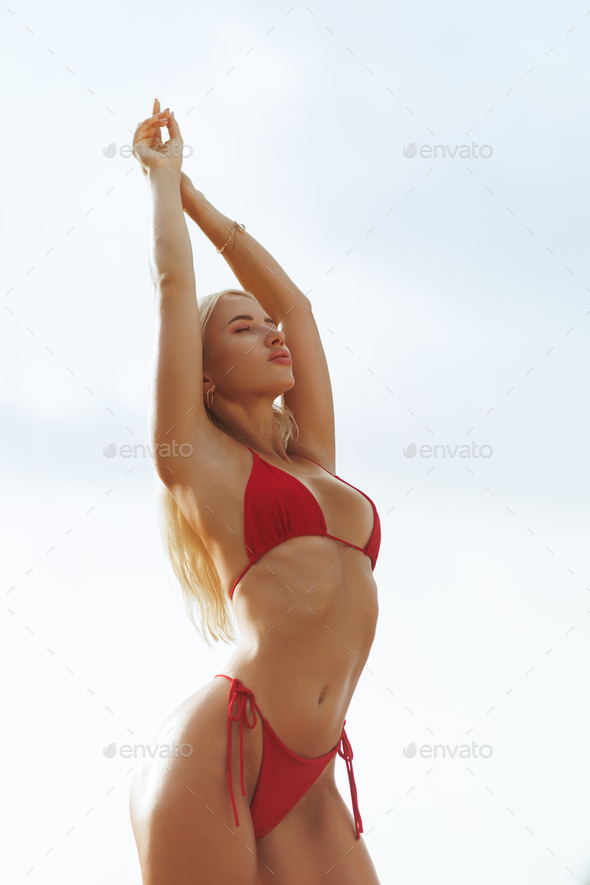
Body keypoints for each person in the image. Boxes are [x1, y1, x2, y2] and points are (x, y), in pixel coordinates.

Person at [128, 99, 382, 885]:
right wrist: (165, 183)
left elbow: (299, 307)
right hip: (222, 755)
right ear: (204, 379)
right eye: (243, 329)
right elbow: (176, 289)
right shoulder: (197, 462)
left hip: (309, 773)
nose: (274, 333)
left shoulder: (312, 455)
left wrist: (205, 201)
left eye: (264, 325)